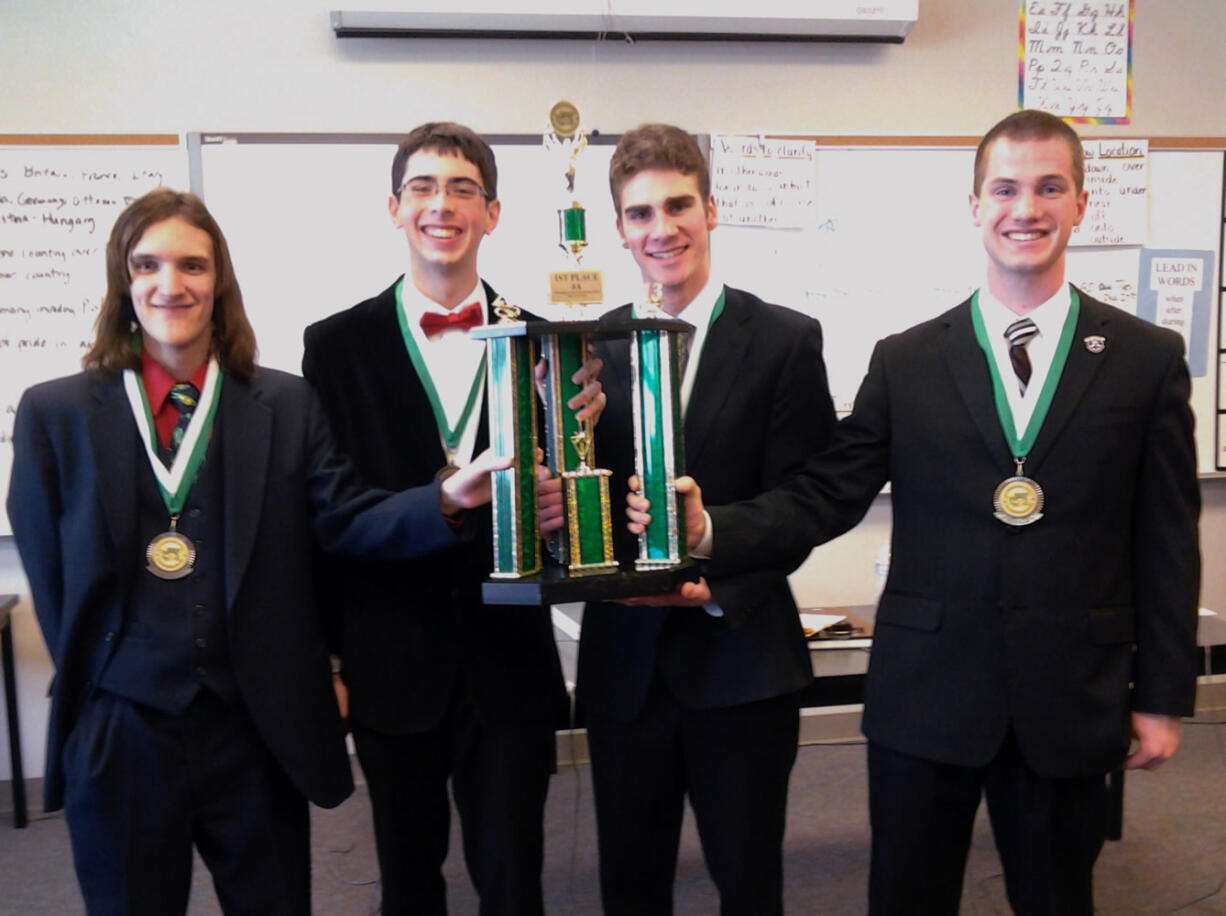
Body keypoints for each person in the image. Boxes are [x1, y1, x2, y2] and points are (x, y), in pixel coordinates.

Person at [644, 110, 1201, 914]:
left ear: (1081, 203)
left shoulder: (1145, 360)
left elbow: (1168, 542)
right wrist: (710, 530)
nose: (1026, 209)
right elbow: (827, 491)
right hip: (925, 698)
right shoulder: (907, 360)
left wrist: (1161, 695)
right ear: (974, 206)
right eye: (1005, 189)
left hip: (1072, 696)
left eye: (1050, 187)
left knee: (1058, 898)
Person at [6, 188, 508, 915]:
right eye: (146, 265)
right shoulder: (54, 417)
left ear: (220, 282)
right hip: (122, 730)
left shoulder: (284, 405)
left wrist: (445, 501)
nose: (170, 284)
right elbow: (54, 582)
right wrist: (101, 698)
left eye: (192, 265)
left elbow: (346, 520)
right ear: (122, 280)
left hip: (255, 727)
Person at [301, 121, 603, 915]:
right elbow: (326, 520)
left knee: (515, 881)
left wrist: (558, 514)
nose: (443, 205)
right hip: (388, 660)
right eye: (424, 188)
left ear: (494, 213)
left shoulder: (552, 342)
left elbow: (576, 513)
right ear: (394, 209)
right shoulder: (334, 347)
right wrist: (328, 661)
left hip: (507, 666)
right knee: (406, 882)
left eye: (463, 188)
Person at [577, 123, 837, 915]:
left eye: (679, 205)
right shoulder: (587, 347)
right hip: (626, 669)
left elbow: (807, 500)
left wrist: (710, 545)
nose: (663, 229)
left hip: (742, 662)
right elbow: (569, 501)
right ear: (619, 229)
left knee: (749, 881)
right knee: (630, 884)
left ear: (713, 209)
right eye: (641, 212)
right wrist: (562, 435)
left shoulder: (785, 340)